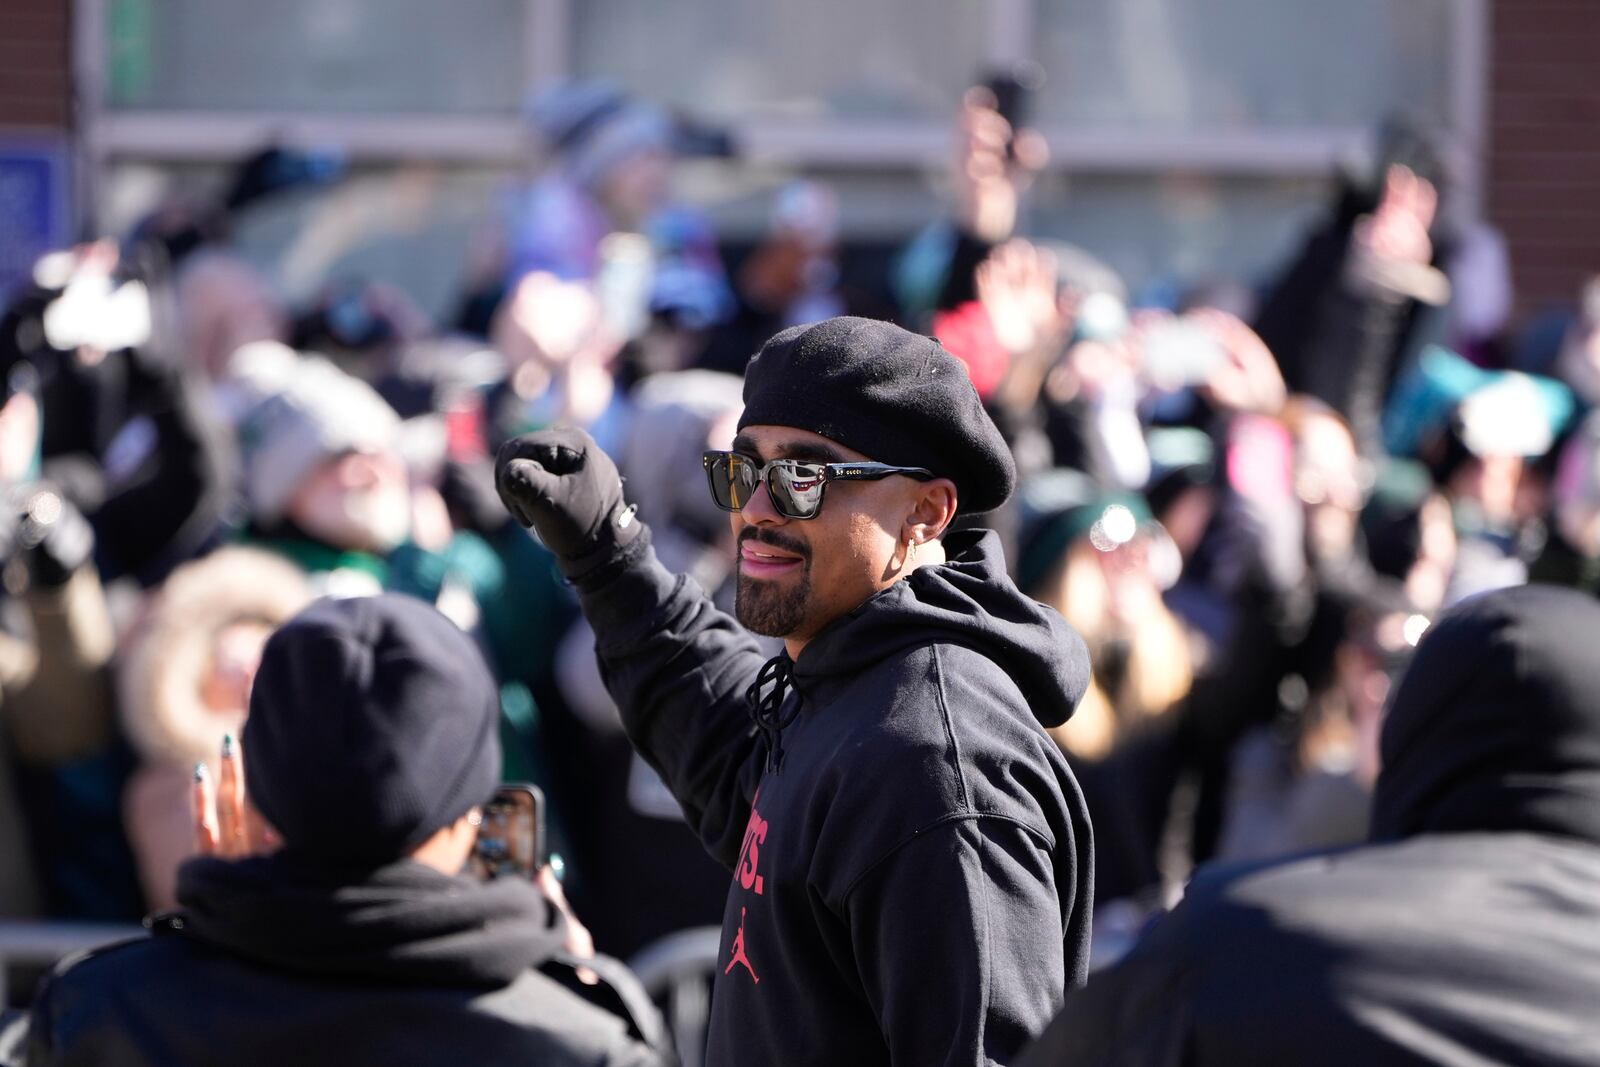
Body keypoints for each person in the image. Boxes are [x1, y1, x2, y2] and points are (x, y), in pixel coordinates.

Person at [496, 315, 1094, 1066]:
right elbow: (735, 756)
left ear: (927, 511)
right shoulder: (854, 682)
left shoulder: (938, 763)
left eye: (803, 477)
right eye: (743, 471)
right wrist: (608, 554)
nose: (758, 509)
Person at [22, 594, 666, 1066]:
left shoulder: (98, 1013)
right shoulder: (580, 1039)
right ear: (471, 797)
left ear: (250, 783)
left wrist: (228, 910)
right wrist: (579, 986)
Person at [1016, 583, 1600, 1066]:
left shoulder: (1232, 942)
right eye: (1372, 658)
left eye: (1399, 670)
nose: (1378, 685)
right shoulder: (1240, 912)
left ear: (1416, 724)